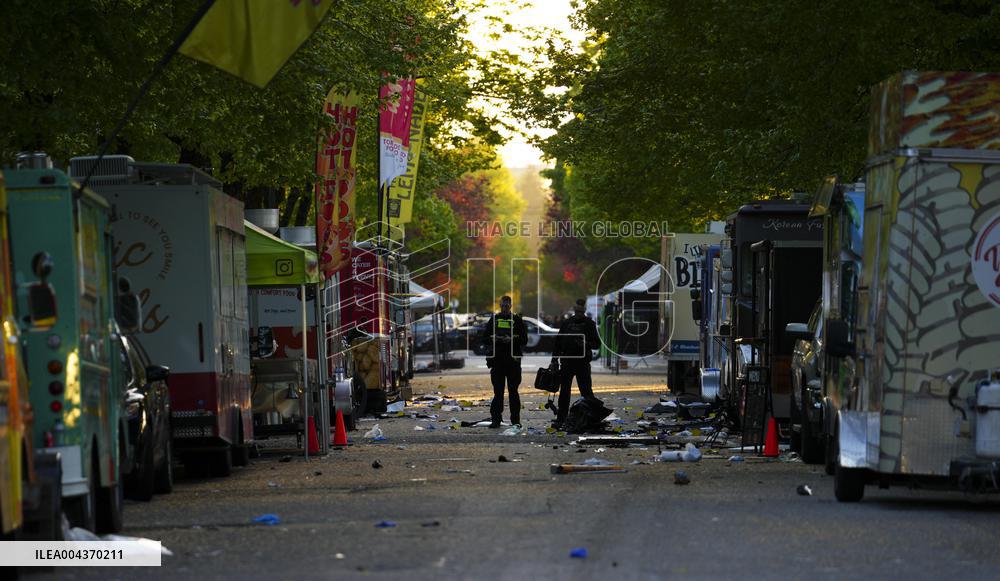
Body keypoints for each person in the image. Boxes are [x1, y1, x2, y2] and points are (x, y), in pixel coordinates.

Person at [551, 298, 601, 428]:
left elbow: (596, 344)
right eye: (576, 311)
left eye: (580, 311)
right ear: (574, 310)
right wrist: (554, 360)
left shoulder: (589, 324)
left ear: (584, 310)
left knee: (586, 392)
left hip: (582, 363)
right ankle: (561, 418)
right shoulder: (567, 323)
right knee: (564, 392)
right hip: (567, 362)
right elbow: (558, 343)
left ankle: (591, 419)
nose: (578, 313)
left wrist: (585, 344)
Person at [481, 296, 528, 428]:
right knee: (498, 393)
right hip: (497, 362)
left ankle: (515, 421)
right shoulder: (494, 319)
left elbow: (524, 340)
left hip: (513, 362)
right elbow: (484, 338)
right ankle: (496, 420)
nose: (505, 308)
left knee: (513, 392)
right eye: (503, 306)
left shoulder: (517, 320)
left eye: (507, 306)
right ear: (500, 306)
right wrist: (494, 339)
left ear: (511, 306)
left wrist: (511, 340)